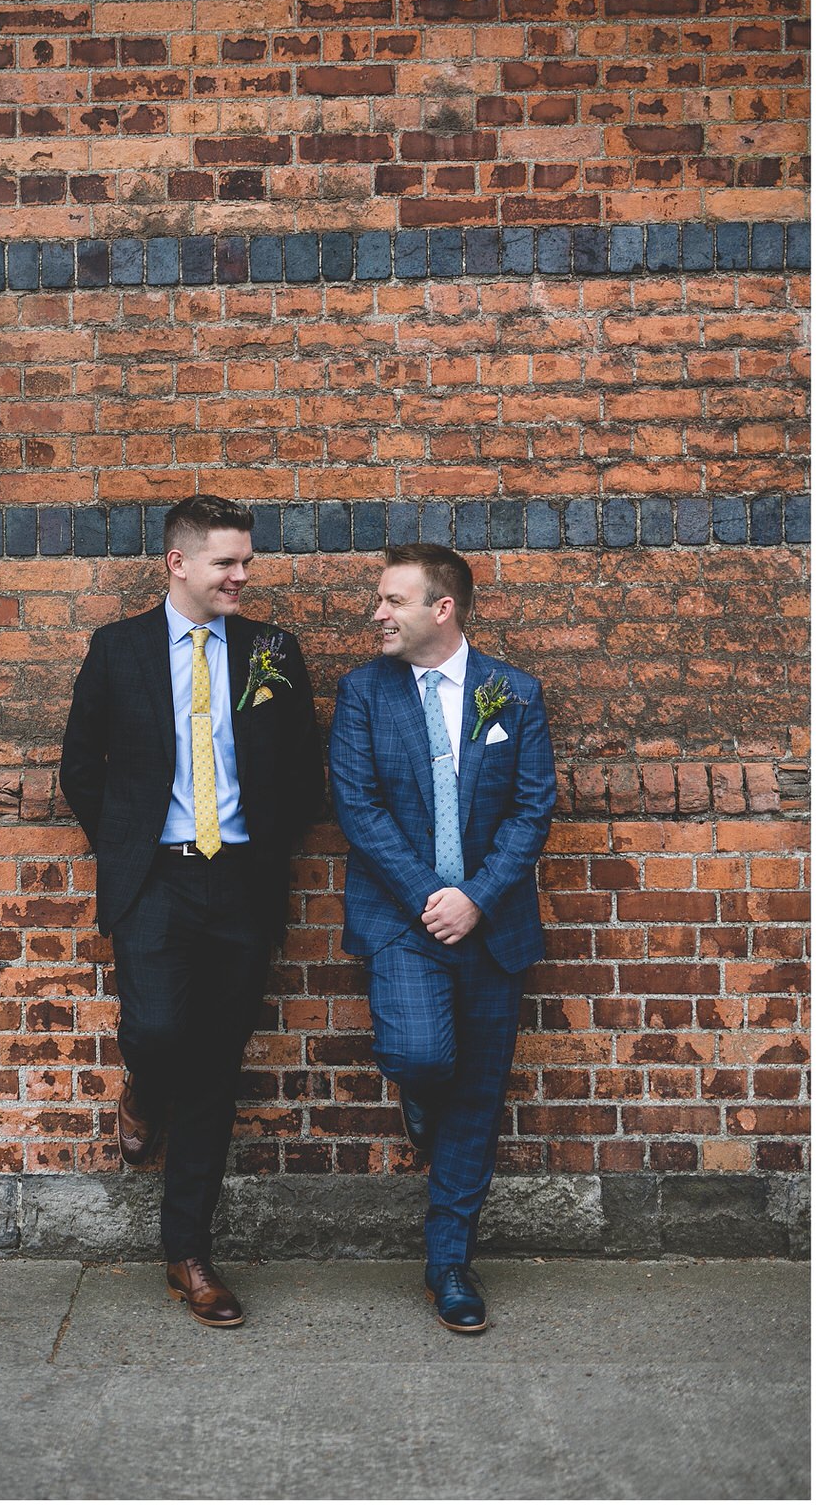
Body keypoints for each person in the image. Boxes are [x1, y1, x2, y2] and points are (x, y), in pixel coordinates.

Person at [60, 495, 322, 1327]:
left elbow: (303, 771)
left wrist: (267, 847)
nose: (242, 576)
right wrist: (131, 845)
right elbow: (81, 765)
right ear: (178, 563)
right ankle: (143, 1089)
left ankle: (189, 1256)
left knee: (215, 1070)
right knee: (160, 1033)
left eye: (246, 561)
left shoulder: (272, 651)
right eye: (226, 563)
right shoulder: (119, 649)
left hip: (242, 882)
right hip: (157, 881)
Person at [329, 543, 555, 1333]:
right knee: (424, 1056)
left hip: (492, 928)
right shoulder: (362, 692)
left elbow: (533, 811)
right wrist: (435, 898)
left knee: (479, 1103)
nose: (377, 614)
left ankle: (449, 1262)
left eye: (393, 601)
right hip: (403, 920)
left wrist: (477, 899)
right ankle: (420, 1099)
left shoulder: (512, 692)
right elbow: (357, 807)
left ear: (442, 609)